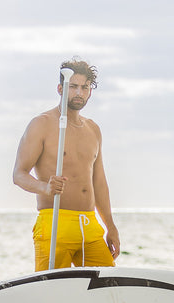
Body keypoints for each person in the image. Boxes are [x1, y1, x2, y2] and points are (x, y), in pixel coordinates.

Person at [13, 58, 120, 272]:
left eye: (85, 87)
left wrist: (110, 226)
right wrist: (45, 187)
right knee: (50, 295)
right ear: (61, 88)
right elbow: (19, 174)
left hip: (89, 225)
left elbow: (99, 183)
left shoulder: (93, 129)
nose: (79, 93)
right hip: (54, 223)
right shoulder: (42, 124)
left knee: (109, 286)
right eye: (73, 87)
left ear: (90, 91)